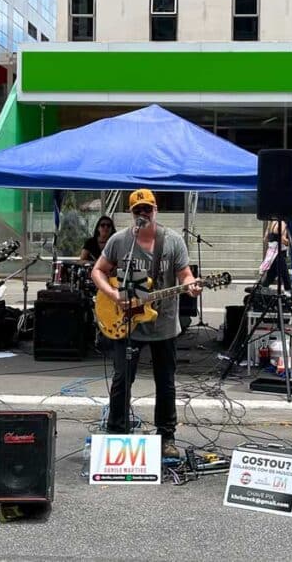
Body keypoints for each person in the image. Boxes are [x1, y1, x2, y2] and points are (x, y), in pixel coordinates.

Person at [90, 189, 201, 459]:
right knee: (121, 379)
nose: (143, 214)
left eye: (147, 210)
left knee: (166, 382)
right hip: (128, 325)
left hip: (162, 325)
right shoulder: (120, 241)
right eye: (138, 210)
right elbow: (98, 270)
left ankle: (166, 436)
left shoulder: (172, 241)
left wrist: (191, 286)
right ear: (131, 213)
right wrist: (114, 294)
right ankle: (116, 434)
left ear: (155, 210)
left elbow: (185, 274)